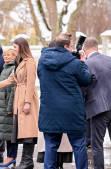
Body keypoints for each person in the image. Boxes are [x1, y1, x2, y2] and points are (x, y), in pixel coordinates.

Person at [37, 33, 91, 169]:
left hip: (49, 111)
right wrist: (83, 63)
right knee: (78, 144)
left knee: (51, 146)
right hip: (72, 111)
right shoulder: (75, 63)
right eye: (72, 46)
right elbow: (86, 80)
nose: (73, 49)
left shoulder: (42, 62)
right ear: (66, 46)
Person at [0, 37, 39, 169]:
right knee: (21, 132)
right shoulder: (19, 62)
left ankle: (27, 161)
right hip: (19, 99)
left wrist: (28, 102)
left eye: (15, 46)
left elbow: (30, 84)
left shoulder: (30, 62)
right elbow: (9, 80)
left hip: (26, 98)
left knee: (28, 131)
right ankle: (25, 161)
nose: (13, 48)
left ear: (21, 47)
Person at [36, 40, 73, 169]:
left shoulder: (42, 63)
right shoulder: (69, 62)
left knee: (50, 142)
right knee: (61, 140)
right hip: (65, 106)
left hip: (48, 107)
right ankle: (60, 164)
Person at [82, 37, 111, 169]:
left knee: (97, 145)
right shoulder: (109, 60)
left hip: (98, 109)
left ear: (84, 49)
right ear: (97, 47)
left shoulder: (87, 64)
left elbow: (84, 88)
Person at [0, 48, 18, 167]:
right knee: (6, 133)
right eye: (4, 55)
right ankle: (9, 157)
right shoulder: (5, 67)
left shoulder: (13, 68)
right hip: (2, 104)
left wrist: (10, 107)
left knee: (10, 133)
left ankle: (11, 157)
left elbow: (13, 89)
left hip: (8, 106)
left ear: (14, 56)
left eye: (8, 55)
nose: (5, 57)